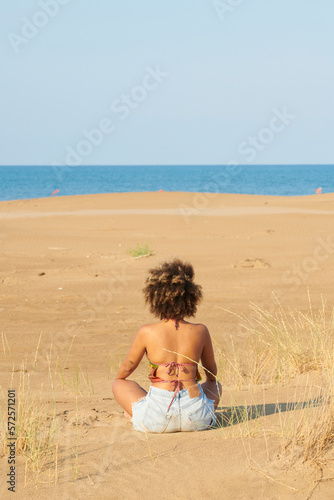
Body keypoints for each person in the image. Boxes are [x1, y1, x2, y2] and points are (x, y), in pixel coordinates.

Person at [112, 258, 222, 433]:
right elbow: (211, 373)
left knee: (119, 384)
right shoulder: (200, 330)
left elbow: (127, 368)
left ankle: (136, 412)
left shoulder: (147, 331)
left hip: (155, 419)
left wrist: (122, 378)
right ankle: (198, 413)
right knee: (215, 385)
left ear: (155, 298)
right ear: (191, 298)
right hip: (196, 418)